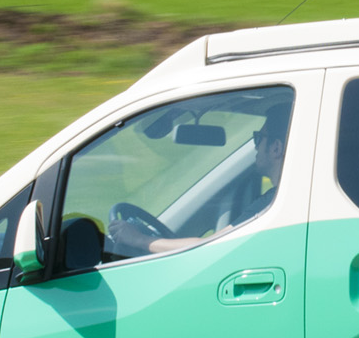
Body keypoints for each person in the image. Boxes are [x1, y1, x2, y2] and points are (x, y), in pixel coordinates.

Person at [109, 102, 290, 255]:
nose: (256, 146)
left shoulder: (270, 203)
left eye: (258, 138)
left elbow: (212, 246)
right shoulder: (286, 197)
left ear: (276, 147)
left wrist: (139, 239)